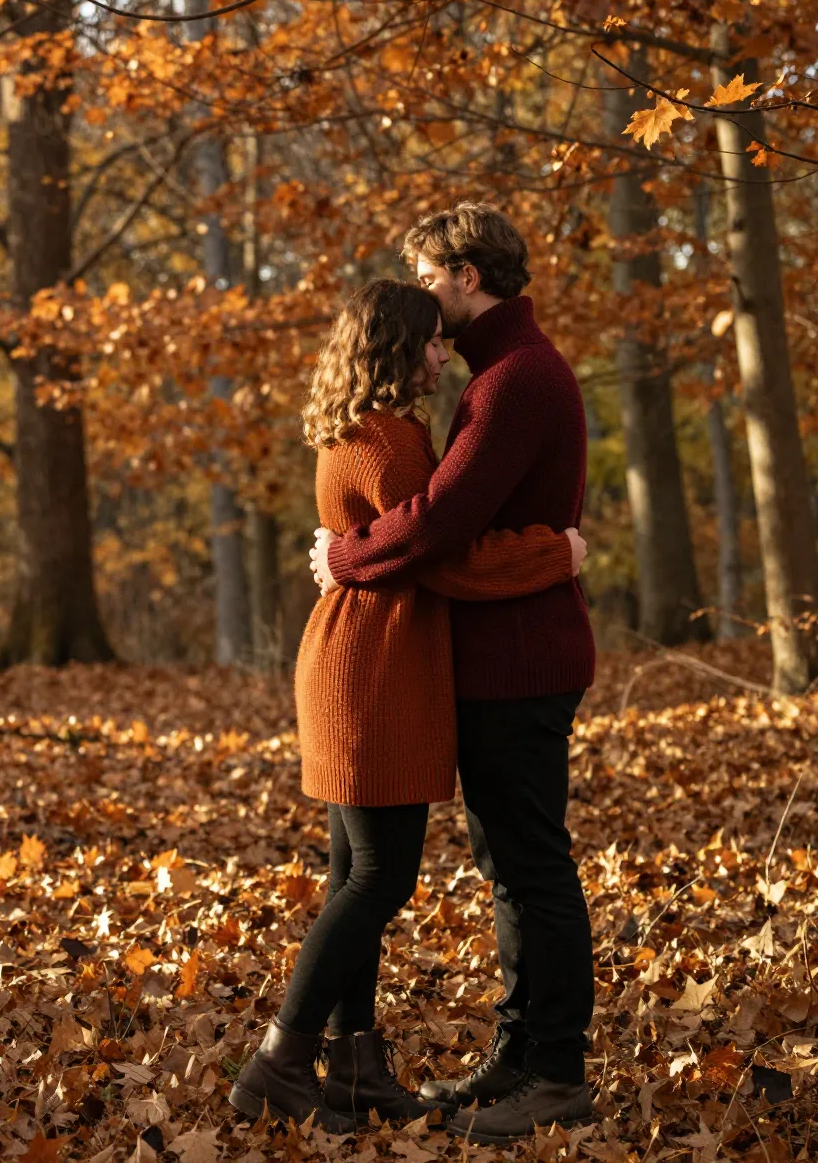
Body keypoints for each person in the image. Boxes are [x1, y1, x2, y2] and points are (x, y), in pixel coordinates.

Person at [229, 277, 587, 1132]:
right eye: (429, 342)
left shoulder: (365, 429)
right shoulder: (389, 443)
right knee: (380, 878)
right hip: (374, 671)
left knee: (353, 876)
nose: (441, 356)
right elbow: (445, 557)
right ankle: (281, 1060)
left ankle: (355, 1067)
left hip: (357, 660)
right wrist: (556, 553)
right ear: (397, 348)